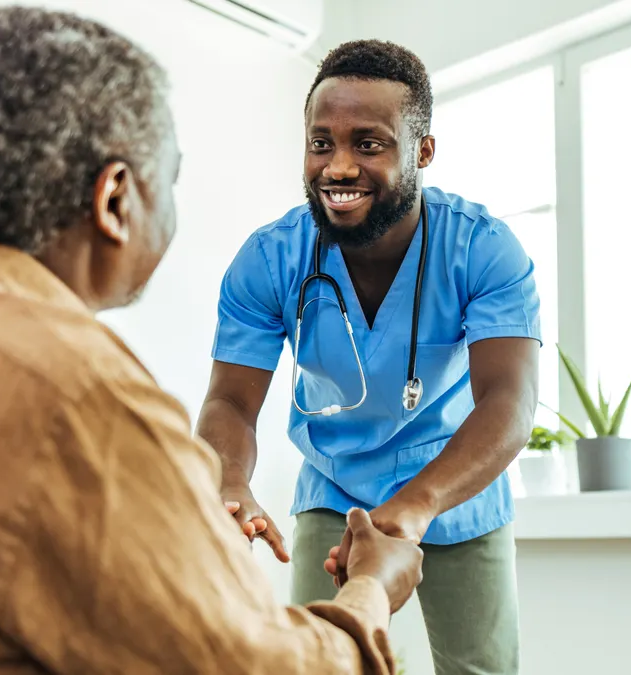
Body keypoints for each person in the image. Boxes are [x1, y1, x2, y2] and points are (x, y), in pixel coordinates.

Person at [0, 7, 423, 674]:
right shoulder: (84, 398)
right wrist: (370, 592)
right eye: (168, 179)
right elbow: (259, 667)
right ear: (116, 199)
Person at [198, 39, 540, 674]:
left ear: (423, 151)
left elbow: (509, 403)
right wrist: (229, 482)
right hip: (335, 486)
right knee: (315, 663)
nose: (339, 166)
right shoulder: (269, 259)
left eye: (369, 143)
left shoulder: (485, 250)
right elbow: (229, 401)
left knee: (481, 669)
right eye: (322, 143)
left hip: (457, 488)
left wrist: (417, 503)